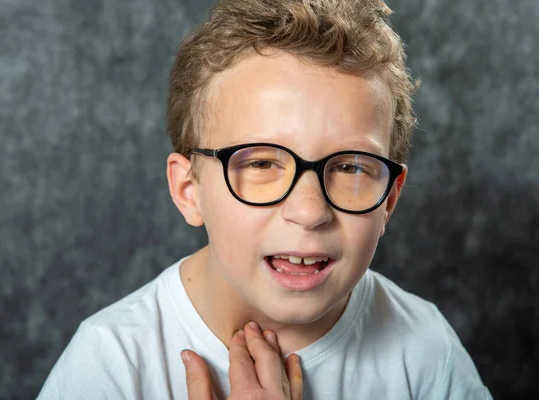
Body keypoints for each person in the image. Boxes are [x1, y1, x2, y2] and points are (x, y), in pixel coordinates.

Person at [37, 0, 492, 399]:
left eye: (351, 167)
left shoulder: (426, 350)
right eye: (260, 164)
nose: (310, 211)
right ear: (188, 190)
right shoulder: (110, 366)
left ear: (389, 200)